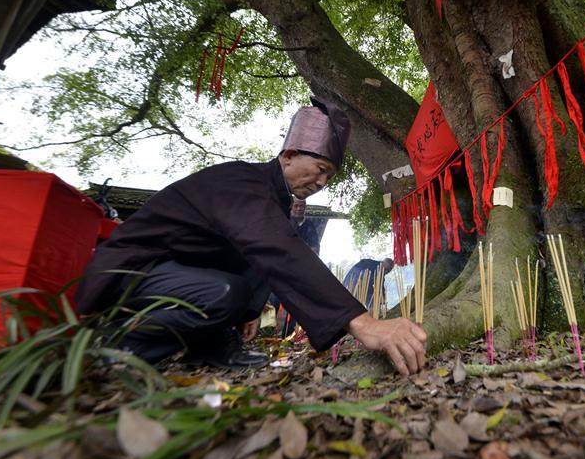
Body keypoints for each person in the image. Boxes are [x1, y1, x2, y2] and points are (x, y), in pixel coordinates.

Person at [76, 97, 427, 374]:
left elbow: (255, 255)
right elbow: (277, 250)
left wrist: (249, 311)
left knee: (235, 294)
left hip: (171, 276)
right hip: (130, 273)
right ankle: (118, 344)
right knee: (225, 292)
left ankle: (207, 347)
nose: (321, 183)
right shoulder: (242, 183)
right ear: (289, 155)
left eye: (329, 177)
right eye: (320, 169)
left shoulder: (271, 201)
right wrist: (364, 323)